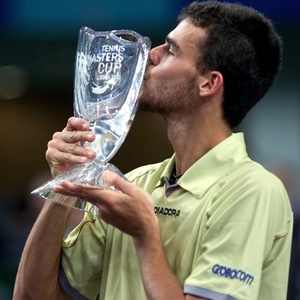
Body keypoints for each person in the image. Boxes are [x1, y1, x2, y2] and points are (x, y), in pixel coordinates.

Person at [13, 1, 293, 299]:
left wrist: (145, 235)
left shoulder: (253, 189)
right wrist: (66, 185)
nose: (151, 55)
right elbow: (32, 294)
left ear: (209, 83)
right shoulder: (136, 183)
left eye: (170, 50)